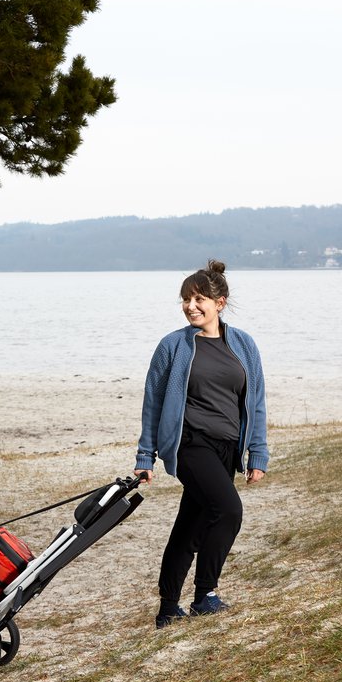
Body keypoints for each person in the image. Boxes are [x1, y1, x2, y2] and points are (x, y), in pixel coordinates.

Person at [134, 260, 269, 629]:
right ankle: (205, 595)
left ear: (219, 302)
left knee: (190, 525)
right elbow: (153, 401)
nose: (190, 306)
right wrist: (145, 455)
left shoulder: (243, 344)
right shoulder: (173, 345)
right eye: (185, 299)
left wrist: (257, 452)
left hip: (227, 448)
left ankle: (167, 608)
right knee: (228, 510)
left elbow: (255, 401)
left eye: (198, 299)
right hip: (190, 444)